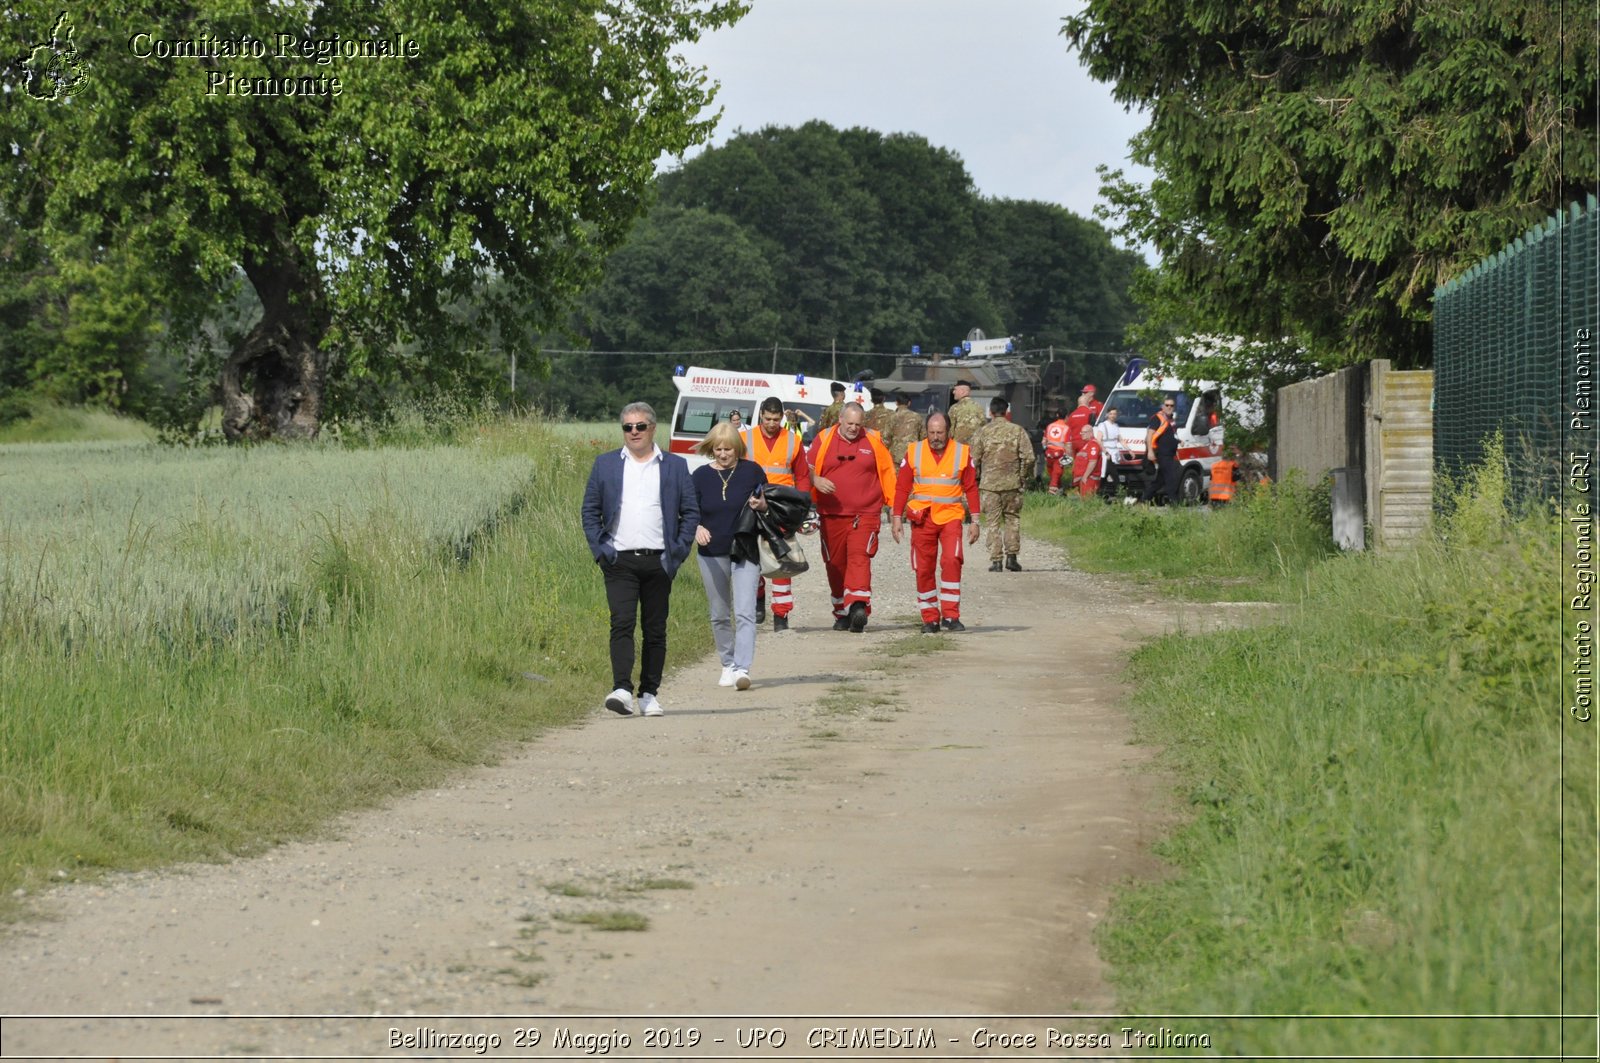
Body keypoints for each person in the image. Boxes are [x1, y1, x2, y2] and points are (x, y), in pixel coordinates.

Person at [581, 402, 699, 718]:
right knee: (621, 623)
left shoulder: (674, 465)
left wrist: (678, 552)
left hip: (659, 560)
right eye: (627, 427)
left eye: (640, 426)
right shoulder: (605, 465)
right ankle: (621, 689)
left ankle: (649, 693)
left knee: (654, 629)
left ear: (652, 429)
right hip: (618, 560)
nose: (633, 432)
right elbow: (590, 510)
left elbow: (690, 512)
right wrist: (601, 551)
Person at [691, 422, 769, 691]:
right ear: (711, 449)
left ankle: (742, 668)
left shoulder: (752, 471)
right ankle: (727, 662)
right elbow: (689, 511)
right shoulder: (700, 476)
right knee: (720, 613)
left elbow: (768, 502)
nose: (723, 454)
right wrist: (696, 528)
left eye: (728, 449)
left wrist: (762, 504)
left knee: (745, 612)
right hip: (711, 553)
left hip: (745, 549)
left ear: (738, 448)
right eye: (718, 449)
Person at [807, 402, 897, 632]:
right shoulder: (824, 438)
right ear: (840, 419)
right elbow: (805, 467)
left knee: (859, 557)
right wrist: (815, 481)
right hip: (831, 514)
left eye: (858, 424)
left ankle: (858, 606)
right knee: (835, 564)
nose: (854, 428)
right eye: (849, 423)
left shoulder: (873, 440)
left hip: (865, 513)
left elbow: (887, 473)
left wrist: (895, 509)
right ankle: (841, 612)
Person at [891, 411, 981, 633]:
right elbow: (902, 486)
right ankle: (929, 618)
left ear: (948, 431)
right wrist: (896, 518)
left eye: (940, 432)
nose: (935, 437)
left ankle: (951, 616)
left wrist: (975, 520)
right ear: (926, 431)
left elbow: (970, 487)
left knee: (951, 561)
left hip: (950, 517)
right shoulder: (914, 451)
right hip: (922, 519)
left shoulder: (962, 452)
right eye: (931, 432)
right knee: (924, 568)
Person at [742, 396, 814, 632]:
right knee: (752, 556)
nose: (772, 423)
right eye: (767, 418)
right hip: (751, 504)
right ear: (760, 415)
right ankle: (758, 598)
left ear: (782, 417)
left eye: (776, 419)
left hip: (781, 507)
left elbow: (802, 476)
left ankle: (781, 616)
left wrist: (803, 506)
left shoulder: (793, 441)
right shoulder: (745, 438)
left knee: (783, 560)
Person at [970, 396, 1034, 572]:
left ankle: (996, 560)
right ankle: (1012, 558)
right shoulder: (1017, 431)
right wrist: (1023, 476)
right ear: (1006, 412)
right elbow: (1029, 458)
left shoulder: (982, 432)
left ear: (990, 412)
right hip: (1012, 484)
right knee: (1012, 520)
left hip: (989, 485)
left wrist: (976, 478)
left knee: (992, 522)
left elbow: (973, 459)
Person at [1140, 397, 1181, 505]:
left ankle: (1144, 499)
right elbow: (1149, 435)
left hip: (1170, 454)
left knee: (1159, 481)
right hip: (1162, 454)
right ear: (1163, 407)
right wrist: (1150, 451)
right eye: (1167, 405)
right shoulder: (1157, 418)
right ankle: (1175, 504)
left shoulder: (1171, 420)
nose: (1169, 407)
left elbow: (1168, 435)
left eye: (1171, 405)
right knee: (1171, 478)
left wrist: (1178, 441)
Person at [884, 390, 925, 464]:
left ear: (896, 403)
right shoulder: (917, 417)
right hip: (913, 455)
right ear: (909, 403)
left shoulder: (891, 417)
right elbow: (923, 437)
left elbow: (886, 438)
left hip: (895, 456)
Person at [1094, 406, 1124, 500]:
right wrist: (1104, 451)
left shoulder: (1116, 426)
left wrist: (1130, 450)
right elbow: (1098, 439)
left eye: (1114, 414)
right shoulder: (1103, 425)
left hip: (1114, 453)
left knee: (1106, 475)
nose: (1113, 416)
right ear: (1107, 414)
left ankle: (1099, 493)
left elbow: (1121, 440)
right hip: (1107, 454)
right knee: (1114, 475)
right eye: (1111, 414)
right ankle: (1121, 495)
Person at [1041, 408, 1072, 495]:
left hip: (1049, 453)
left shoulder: (1050, 426)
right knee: (1057, 473)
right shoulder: (1066, 428)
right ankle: (1052, 491)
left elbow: (1044, 441)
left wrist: (1045, 451)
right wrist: (1069, 456)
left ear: (1057, 415)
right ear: (1066, 416)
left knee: (1051, 472)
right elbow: (1068, 445)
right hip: (1059, 454)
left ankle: (1059, 489)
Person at [946, 379, 985, 444]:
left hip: (959, 447)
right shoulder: (979, 407)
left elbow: (950, 431)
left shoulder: (955, 408)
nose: (953, 392)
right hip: (974, 447)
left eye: (955, 389)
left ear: (962, 391)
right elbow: (983, 427)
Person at [1071, 423, 1102, 499]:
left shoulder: (1093, 444)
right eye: (1081, 432)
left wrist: (1085, 476)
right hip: (1085, 478)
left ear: (1090, 433)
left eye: (1084, 432)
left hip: (1089, 478)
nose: (1081, 434)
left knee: (1087, 501)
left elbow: (1093, 462)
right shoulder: (1087, 444)